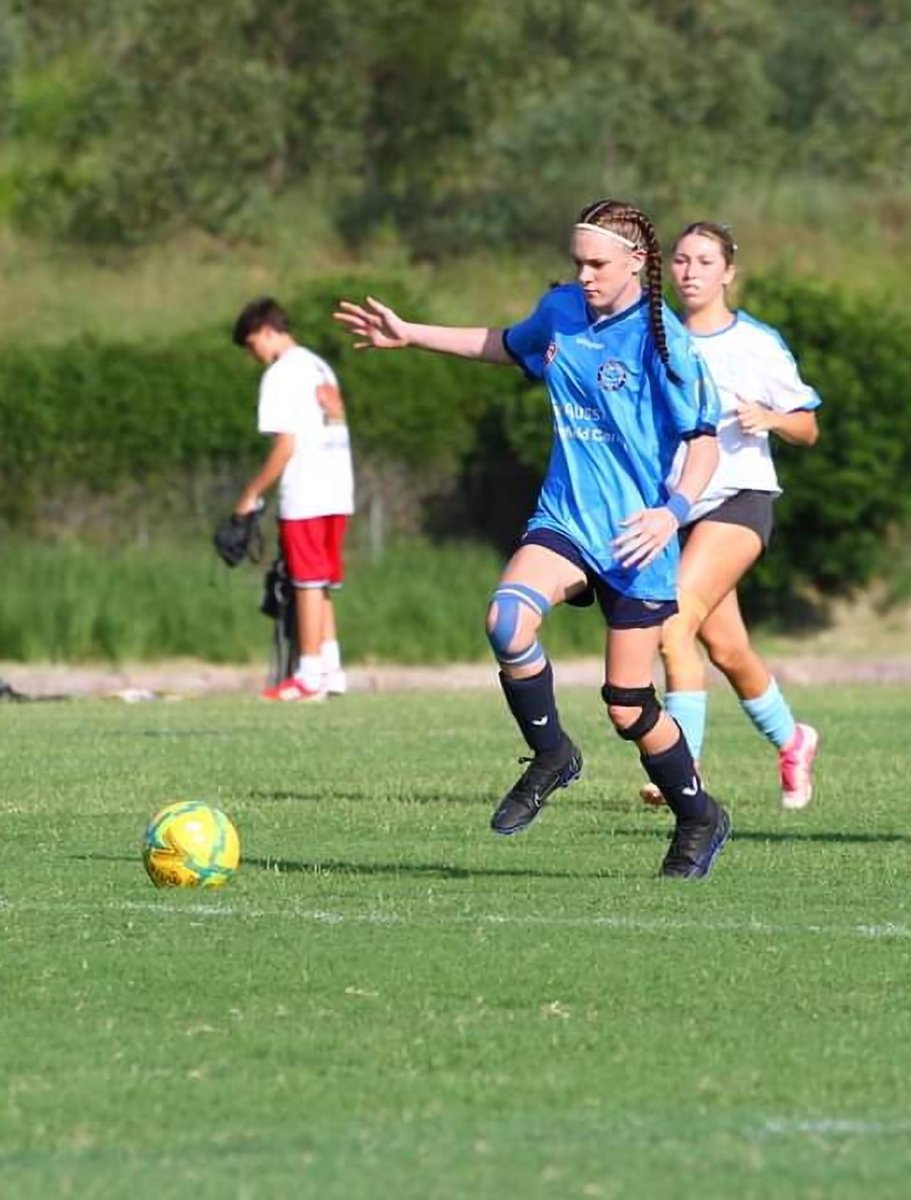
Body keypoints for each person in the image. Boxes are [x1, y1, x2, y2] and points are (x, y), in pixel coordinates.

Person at [335, 198, 731, 879]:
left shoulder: (663, 338)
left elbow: (703, 447)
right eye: (576, 263)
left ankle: (698, 816)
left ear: (637, 262)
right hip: (566, 519)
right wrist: (412, 333)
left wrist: (671, 511)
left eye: (597, 264)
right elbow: (503, 342)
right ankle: (551, 755)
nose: (584, 276)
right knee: (506, 620)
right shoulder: (560, 311)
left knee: (628, 706)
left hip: (637, 538)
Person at [639, 222, 821, 809]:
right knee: (728, 651)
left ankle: (680, 766)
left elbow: (808, 426)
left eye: (704, 261)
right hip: (678, 509)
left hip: (741, 499)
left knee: (674, 624)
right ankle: (794, 740)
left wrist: (770, 418)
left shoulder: (756, 343)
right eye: (682, 260)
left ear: (728, 273)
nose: (690, 271)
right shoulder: (654, 336)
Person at [232, 296, 354, 701]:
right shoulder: (319, 365)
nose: (255, 356)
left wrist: (250, 494)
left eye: (253, 345)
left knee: (305, 580)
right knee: (320, 583)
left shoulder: (281, 373)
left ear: (267, 331)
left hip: (308, 487)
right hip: (338, 485)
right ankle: (331, 669)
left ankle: (308, 673)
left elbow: (286, 446)